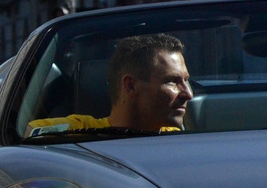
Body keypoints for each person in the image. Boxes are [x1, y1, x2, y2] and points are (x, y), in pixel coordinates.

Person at [27, 33, 192, 135]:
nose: (188, 94)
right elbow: (23, 136)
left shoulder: (178, 141)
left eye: (185, 80)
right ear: (130, 86)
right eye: (172, 81)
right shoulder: (79, 132)